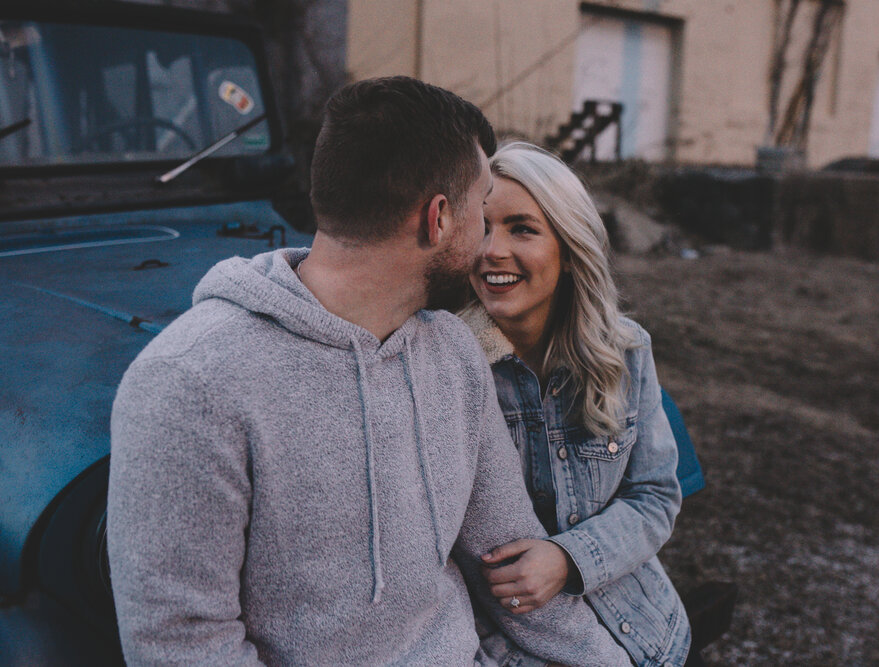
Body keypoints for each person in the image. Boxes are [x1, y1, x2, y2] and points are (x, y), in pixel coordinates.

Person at [107, 77, 630, 666]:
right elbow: (182, 647)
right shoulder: (190, 382)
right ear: (437, 219)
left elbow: (510, 559)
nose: (489, 242)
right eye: (482, 212)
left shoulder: (454, 352)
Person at [460, 142, 693, 666]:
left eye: (522, 228)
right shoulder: (448, 368)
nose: (491, 250)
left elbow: (655, 496)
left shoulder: (624, 351)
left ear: (569, 249)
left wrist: (570, 558)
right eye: (481, 226)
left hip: (649, 635)